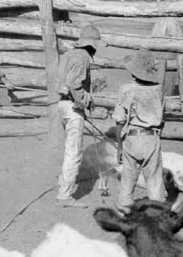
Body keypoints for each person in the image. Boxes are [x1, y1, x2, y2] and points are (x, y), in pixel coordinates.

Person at [56, 25, 105, 208]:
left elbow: (64, 81)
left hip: (62, 105)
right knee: (73, 153)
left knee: (70, 149)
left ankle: (63, 187)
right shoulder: (83, 56)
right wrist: (84, 100)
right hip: (71, 107)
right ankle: (65, 195)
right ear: (92, 45)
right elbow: (73, 83)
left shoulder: (68, 54)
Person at [113, 50, 166, 213]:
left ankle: (125, 209)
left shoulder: (126, 89)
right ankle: (156, 213)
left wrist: (120, 146)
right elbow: (163, 118)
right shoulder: (159, 90)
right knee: (155, 180)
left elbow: (120, 120)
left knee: (128, 178)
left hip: (133, 137)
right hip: (152, 138)